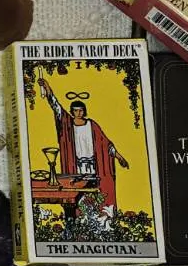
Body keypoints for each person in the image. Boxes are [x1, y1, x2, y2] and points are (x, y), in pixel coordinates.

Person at [38, 78, 129, 211]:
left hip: (94, 168)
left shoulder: (92, 125)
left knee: (95, 195)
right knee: (79, 197)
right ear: (72, 111)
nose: (78, 113)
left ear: (84, 111)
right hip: (76, 169)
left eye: (81, 110)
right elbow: (56, 107)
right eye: (75, 110)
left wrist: (119, 157)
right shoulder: (67, 125)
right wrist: (47, 89)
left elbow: (106, 145)